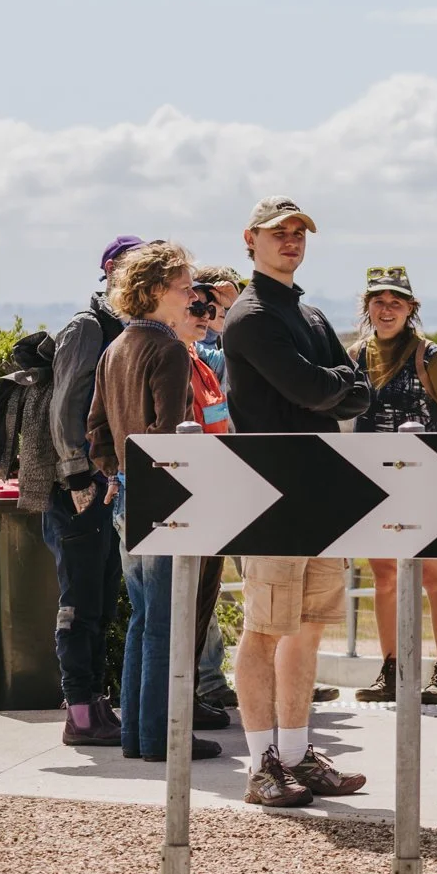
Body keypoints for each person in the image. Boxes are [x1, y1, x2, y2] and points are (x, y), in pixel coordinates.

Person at [222, 196, 372, 808]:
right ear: (250, 239)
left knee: (308, 630)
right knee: (264, 630)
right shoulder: (250, 315)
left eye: (298, 232)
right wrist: (332, 389)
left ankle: (294, 754)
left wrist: (331, 389)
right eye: (278, 232)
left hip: (318, 491)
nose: (291, 240)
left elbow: (356, 391)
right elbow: (318, 388)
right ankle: (260, 765)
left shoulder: (306, 313)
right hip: (269, 495)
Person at [84, 240, 222, 763]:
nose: (193, 297)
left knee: (144, 620)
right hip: (164, 502)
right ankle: (165, 737)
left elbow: (95, 429)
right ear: (155, 290)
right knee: (165, 622)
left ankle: (137, 736)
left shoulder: (115, 347)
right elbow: (173, 436)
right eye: (185, 287)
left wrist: (116, 474)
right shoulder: (167, 350)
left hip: (125, 496)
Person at [347, 266, 437, 708]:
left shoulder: (431, 358)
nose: (387, 309)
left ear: (411, 309)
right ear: (367, 307)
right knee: (384, 575)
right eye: (379, 301)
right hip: (375, 486)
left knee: (432, 576)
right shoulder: (354, 357)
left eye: (396, 302)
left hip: (425, 485)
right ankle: (392, 669)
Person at [44, 235, 139, 746]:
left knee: (101, 596)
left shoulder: (125, 329)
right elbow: (67, 405)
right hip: (78, 488)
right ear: (108, 271)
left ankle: (92, 705)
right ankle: (79, 715)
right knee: (79, 601)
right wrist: (77, 474)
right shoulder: (88, 327)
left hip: (108, 487)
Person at [175, 269, 237, 732]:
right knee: (179, 608)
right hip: (188, 503)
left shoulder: (198, 359)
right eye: (196, 307)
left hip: (214, 497)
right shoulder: (172, 359)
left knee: (202, 602)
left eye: (210, 308)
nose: (207, 314)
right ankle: (174, 707)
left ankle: (192, 695)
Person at [187, 266, 244, 713]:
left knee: (211, 588)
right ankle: (199, 685)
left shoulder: (226, 349)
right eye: (207, 302)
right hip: (201, 486)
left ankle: (207, 681)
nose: (214, 312)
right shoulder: (195, 352)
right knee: (194, 591)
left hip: (228, 479)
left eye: (223, 306)